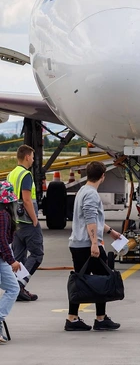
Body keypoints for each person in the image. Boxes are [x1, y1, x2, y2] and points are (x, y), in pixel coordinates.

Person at [65, 161, 123, 331]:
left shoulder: (83, 190)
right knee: (103, 279)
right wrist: (95, 244)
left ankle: (72, 318)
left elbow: (92, 219)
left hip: (77, 243)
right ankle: (100, 318)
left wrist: (110, 231)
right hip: (87, 245)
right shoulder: (91, 194)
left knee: (80, 280)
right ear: (102, 176)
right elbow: (90, 220)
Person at [8, 145, 42, 301]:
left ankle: (17, 288)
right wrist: (35, 219)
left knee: (19, 258)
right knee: (37, 254)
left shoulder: (11, 174)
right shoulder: (26, 175)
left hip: (14, 222)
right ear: (27, 157)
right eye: (33, 157)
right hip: (27, 221)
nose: (33, 160)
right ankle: (20, 285)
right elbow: (27, 199)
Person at [0, 181, 21, 344]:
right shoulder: (3, 215)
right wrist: (11, 260)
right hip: (2, 258)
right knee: (13, 288)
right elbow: (2, 241)